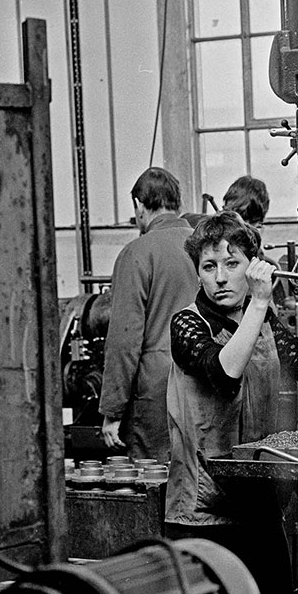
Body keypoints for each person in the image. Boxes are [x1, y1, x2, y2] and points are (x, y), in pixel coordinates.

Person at [164, 210, 298, 594]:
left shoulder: (264, 321)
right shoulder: (187, 326)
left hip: (257, 502)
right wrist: (260, 301)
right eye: (209, 266)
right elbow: (225, 372)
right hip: (204, 511)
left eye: (232, 264)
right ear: (198, 274)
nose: (221, 277)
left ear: (254, 266)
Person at [99, 166, 198, 463]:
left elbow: (124, 339)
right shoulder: (205, 244)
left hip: (157, 391)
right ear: (176, 203)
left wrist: (112, 411)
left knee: (153, 483)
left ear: (139, 206)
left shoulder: (137, 253)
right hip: (207, 379)